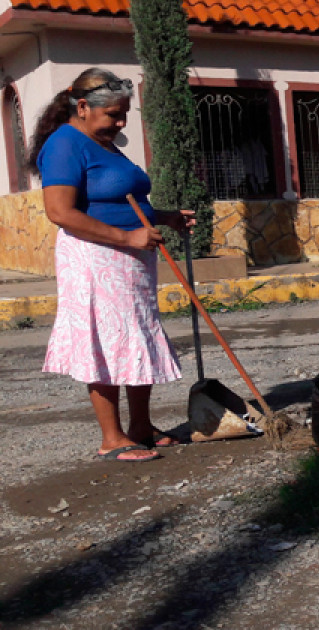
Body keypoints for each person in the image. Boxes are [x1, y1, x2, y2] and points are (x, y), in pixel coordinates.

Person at [28, 67, 195, 462]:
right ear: (83, 107)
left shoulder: (103, 143)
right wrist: (127, 237)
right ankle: (112, 437)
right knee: (104, 342)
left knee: (136, 338)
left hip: (131, 259)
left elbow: (120, 200)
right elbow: (60, 212)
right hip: (95, 258)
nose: (120, 123)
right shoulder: (66, 144)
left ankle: (140, 427)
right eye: (113, 115)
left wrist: (164, 217)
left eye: (123, 114)